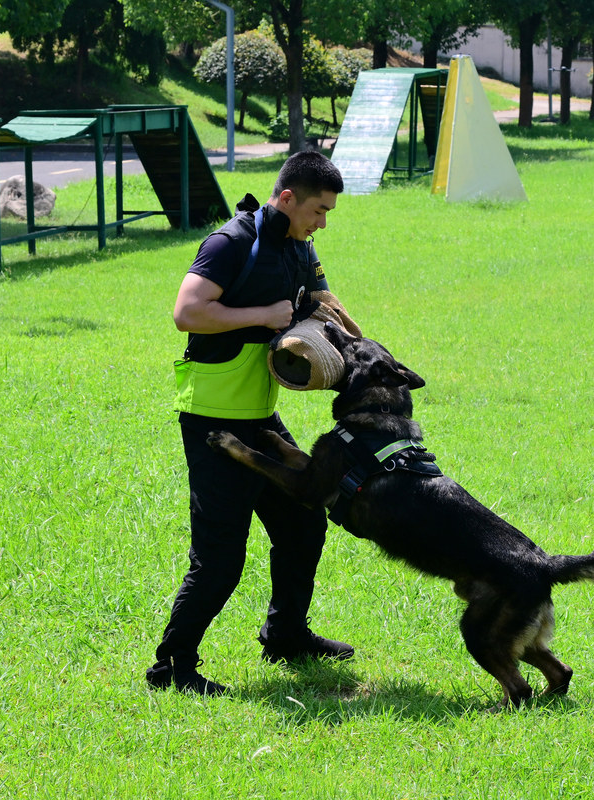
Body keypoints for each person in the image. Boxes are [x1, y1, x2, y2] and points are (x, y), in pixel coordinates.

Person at [146, 152, 355, 696]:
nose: (323, 222)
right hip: (214, 419)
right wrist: (260, 317)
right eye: (318, 209)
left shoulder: (299, 247)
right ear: (286, 198)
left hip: (260, 417)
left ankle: (285, 634)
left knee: (304, 522)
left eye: (328, 212)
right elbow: (187, 313)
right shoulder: (230, 243)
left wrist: (362, 350)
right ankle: (171, 668)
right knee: (219, 558)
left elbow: (323, 300)